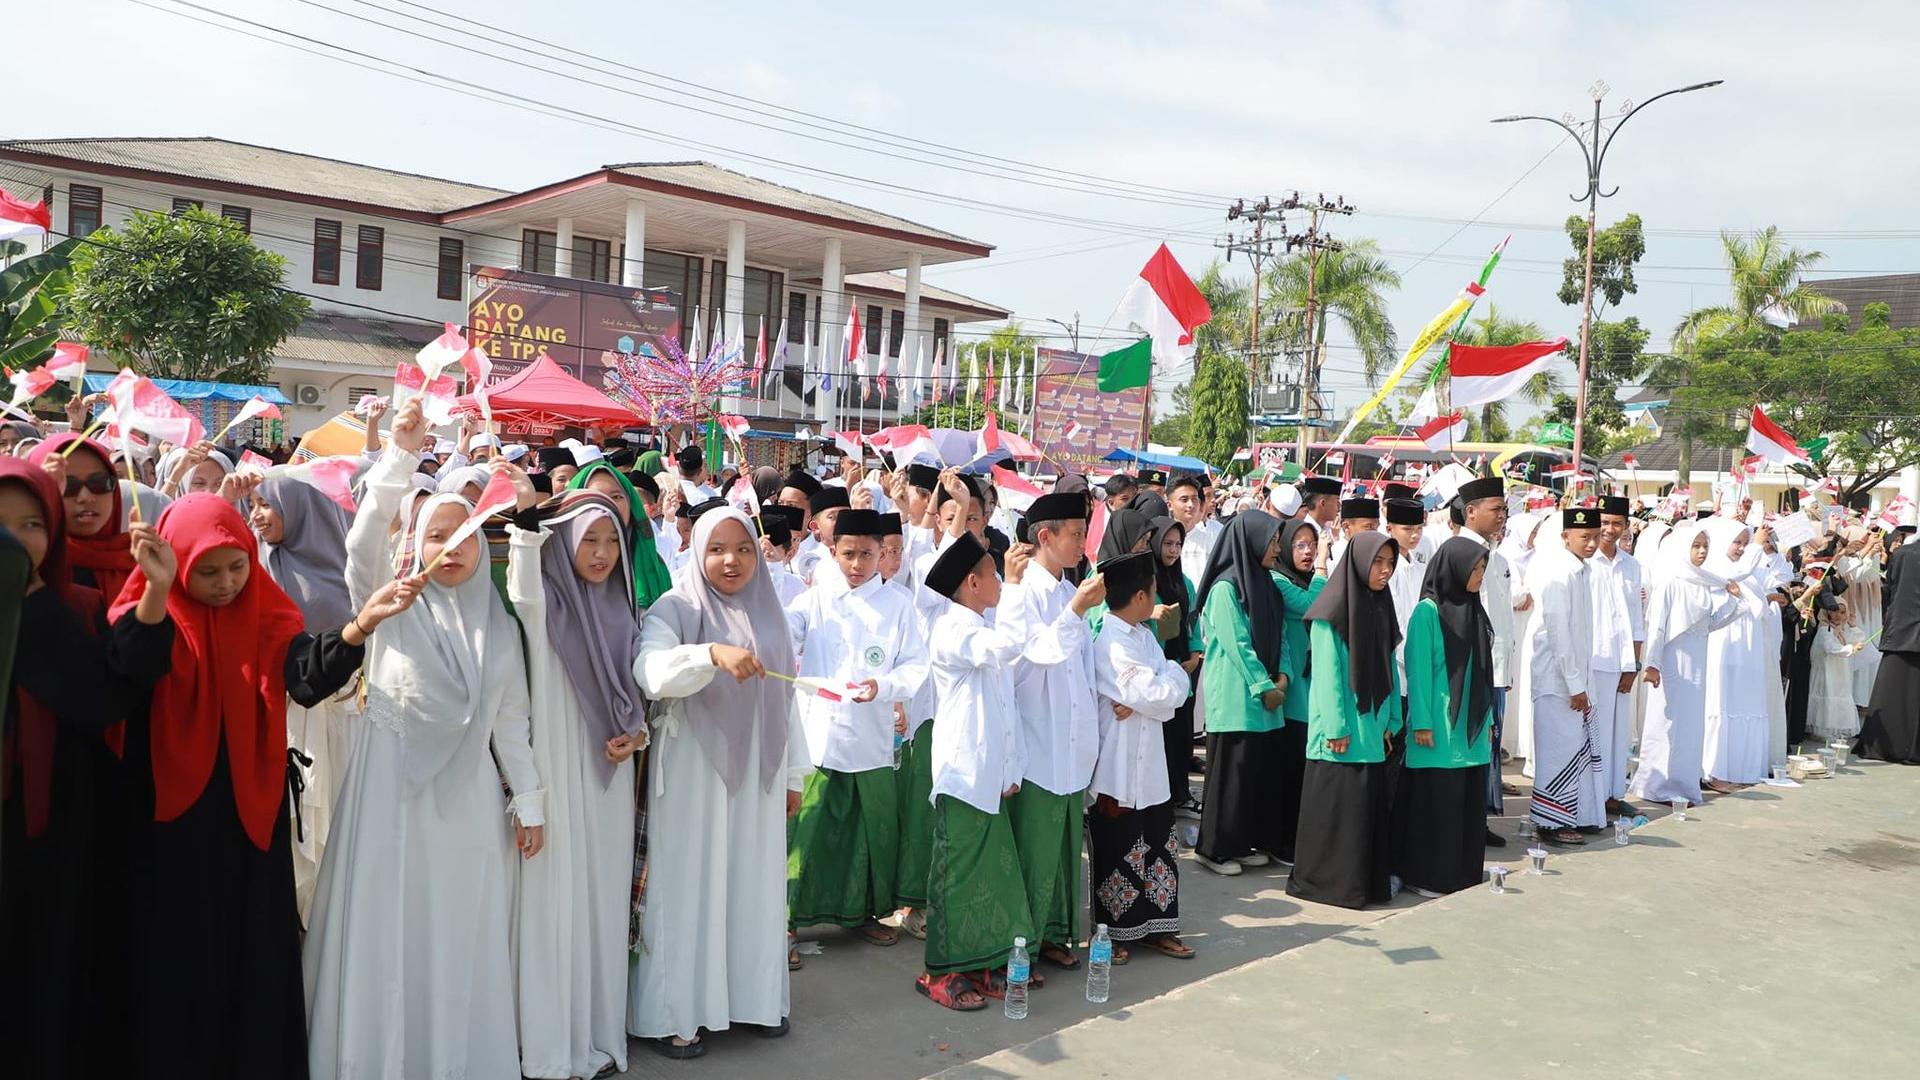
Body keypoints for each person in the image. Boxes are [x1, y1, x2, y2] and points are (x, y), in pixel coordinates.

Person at [109, 494, 417, 1078]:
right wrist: (157, 589)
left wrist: (359, 628)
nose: (227, 584)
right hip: (166, 818)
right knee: (174, 949)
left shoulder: (264, 611)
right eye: (207, 571)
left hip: (248, 811)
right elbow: (131, 667)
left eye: (237, 566)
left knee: (250, 948)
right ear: (175, 562)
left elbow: (304, 677)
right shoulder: (151, 609)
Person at [306, 405, 548, 1080]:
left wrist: (529, 802)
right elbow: (361, 546)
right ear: (414, 543)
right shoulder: (392, 603)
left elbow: (511, 723)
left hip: (467, 807)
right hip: (388, 800)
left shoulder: (499, 627)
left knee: (455, 931)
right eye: (437, 534)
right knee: (389, 927)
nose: (452, 547)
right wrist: (400, 459)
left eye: (464, 535)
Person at [630, 506, 803, 1057]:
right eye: (717, 549)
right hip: (694, 771)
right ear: (697, 551)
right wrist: (708, 654)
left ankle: (752, 999)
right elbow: (650, 673)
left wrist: (793, 773)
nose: (732, 561)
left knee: (751, 883)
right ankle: (676, 1013)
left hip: (758, 774)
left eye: (744, 549)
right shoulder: (675, 607)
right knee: (691, 886)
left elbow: (787, 697)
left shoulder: (768, 610)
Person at [0, 458, 141, 1078]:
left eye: (32, 524)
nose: (14, 538)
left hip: (52, 832)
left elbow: (102, 703)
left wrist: (33, 609)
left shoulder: (75, 607)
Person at [506, 490, 647, 1079]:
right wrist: (524, 523)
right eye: (588, 539)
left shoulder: (623, 609)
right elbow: (522, 588)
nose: (602, 553)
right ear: (563, 542)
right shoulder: (547, 603)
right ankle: (548, 1045)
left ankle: (597, 1033)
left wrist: (637, 733)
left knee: (600, 901)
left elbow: (638, 687)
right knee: (554, 900)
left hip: (609, 775)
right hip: (556, 768)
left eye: (611, 540)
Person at [785, 507, 930, 949]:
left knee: (869, 834)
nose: (856, 564)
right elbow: (785, 633)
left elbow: (915, 665)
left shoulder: (899, 605)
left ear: (882, 553)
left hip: (870, 735)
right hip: (820, 734)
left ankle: (863, 913)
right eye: (848, 554)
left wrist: (883, 686)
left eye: (867, 554)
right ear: (833, 552)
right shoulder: (815, 600)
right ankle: (787, 919)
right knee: (807, 830)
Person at [915, 532, 1031, 1011]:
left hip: (988, 774)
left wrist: (1010, 766)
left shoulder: (980, 624)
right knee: (956, 876)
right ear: (972, 582)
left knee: (990, 877)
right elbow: (1006, 647)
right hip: (962, 774)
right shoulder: (953, 629)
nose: (1001, 581)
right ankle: (939, 972)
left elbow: (1004, 706)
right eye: (994, 575)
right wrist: (1019, 588)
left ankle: (982, 963)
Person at [242, 471, 360, 926]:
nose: (257, 515)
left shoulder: (344, 574)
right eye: (252, 504)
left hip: (342, 721)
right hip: (277, 723)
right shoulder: (253, 568)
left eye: (267, 504)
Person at [996, 489, 1105, 971]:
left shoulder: (1065, 589)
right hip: (1037, 737)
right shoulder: (1022, 591)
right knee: (1034, 847)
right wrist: (1077, 610)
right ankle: (1022, 943)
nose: (1082, 543)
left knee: (1063, 848)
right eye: (1076, 534)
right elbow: (1039, 652)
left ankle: (1055, 934)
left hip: (1071, 738)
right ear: (1045, 536)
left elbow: (1084, 665)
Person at [1088, 550, 1195, 960]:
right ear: (1138, 597)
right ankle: (1115, 932)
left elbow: (1163, 690)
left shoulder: (1145, 637)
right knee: (1119, 845)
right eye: (1152, 591)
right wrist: (1160, 687)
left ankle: (1159, 927)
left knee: (1158, 843)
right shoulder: (1110, 642)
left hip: (1150, 761)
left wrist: (1154, 693)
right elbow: (1153, 690)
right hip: (1117, 765)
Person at [1288, 532, 1401, 909]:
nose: (1385, 571)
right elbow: (1327, 677)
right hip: (1339, 734)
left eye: (1390, 563)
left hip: (1371, 729)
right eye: (1377, 562)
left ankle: (1362, 885)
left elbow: (1389, 667)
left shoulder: (1381, 606)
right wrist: (1337, 727)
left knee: (1362, 814)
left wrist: (1392, 719)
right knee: (1337, 814)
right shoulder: (1330, 613)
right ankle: (1326, 885)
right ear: (1358, 562)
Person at [1191, 511, 1289, 877]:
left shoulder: (1266, 584)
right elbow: (1237, 645)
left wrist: (1283, 677)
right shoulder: (1225, 588)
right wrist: (1264, 686)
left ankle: (1241, 843)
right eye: (1273, 541)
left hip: (1267, 698)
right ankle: (1214, 849)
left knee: (1252, 778)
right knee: (1229, 780)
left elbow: (1281, 637)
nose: (1277, 549)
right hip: (1236, 698)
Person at [1396, 538, 1494, 897]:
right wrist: (1421, 722)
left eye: (1483, 568)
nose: (1480, 575)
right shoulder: (1427, 612)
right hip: (1438, 726)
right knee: (1438, 806)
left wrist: (1489, 720)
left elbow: (1484, 673)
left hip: (1471, 727)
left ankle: (1463, 874)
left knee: (1466, 807)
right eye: (1475, 569)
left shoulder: (1475, 610)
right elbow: (1419, 672)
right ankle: (1429, 877)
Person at [1630, 524, 1742, 807]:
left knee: (1689, 727)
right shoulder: (1670, 582)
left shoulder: (1703, 584)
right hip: (1671, 663)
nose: (1702, 551)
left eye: (1705, 546)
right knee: (1667, 722)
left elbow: (1710, 623)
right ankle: (1656, 785)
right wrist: (1652, 664)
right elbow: (1657, 627)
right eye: (1696, 545)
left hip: (1696, 664)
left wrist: (1732, 599)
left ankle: (1682, 785)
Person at [1527, 507, 1605, 845]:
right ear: (1565, 537)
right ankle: (1551, 824)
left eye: (1595, 537)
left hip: (1575, 680)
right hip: (1556, 681)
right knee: (1558, 753)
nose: (1591, 544)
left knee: (1575, 749)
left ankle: (1576, 816)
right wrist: (1575, 685)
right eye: (1584, 537)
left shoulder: (1582, 570)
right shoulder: (1559, 573)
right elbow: (1559, 634)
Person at [1450, 477, 1515, 842]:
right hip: (1473, 667)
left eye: (1504, 509)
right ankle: (1464, 822)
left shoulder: (1498, 558)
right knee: (1470, 742)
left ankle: (1479, 820)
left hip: (1497, 669)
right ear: (1471, 511)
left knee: (1488, 745)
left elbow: (1502, 619)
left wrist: (1506, 667)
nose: (1501, 516)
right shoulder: (1459, 553)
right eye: (1495, 509)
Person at [1268, 518, 1331, 863]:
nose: (1308, 552)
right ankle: (1281, 840)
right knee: (1290, 770)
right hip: (1291, 686)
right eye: (1301, 545)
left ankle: (1298, 837)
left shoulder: (1308, 581)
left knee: (1304, 770)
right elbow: (1313, 606)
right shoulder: (1279, 580)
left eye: (1313, 545)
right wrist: (1322, 565)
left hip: (1312, 685)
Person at [1701, 517, 1775, 791]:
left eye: (1745, 543)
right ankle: (1714, 771)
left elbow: (1761, 597)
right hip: (1724, 645)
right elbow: (1737, 576)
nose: (1742, 548)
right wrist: (1756, 547)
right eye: (1737, 542)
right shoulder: (1713, 566)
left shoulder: (1746, 572)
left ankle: (1741, 768)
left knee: (1745, 702)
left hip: (1748, 649)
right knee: (1722, 701)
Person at [27, 435, 138, 602]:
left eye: (99, 482)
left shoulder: (144, 562)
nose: (85, 497)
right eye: (67, 485)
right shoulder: (24, 564)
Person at [1590, 495, 1646, 813]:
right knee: (1594, 729)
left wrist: (1634, 663)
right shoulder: (1586, 561)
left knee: (1617, 731)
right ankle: (1591, 796)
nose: (1610, 529)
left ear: (1626, 527)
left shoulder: (1631, 565)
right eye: (1605, 522)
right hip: (1593, 658)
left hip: (1622, 660)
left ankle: (1612, 794)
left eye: (1617, 524)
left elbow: (1636, 617)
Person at [1147, 516, 1205, 816]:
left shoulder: (1185, 582)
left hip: (1183, 667)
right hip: (1158, 668)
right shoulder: (1146, 582)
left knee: (1181, 734)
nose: (1173, 550)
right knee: (1163, 736)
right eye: (1167, 543)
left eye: (1178, 544)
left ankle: (1180, 794)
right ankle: (1163, 800)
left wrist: (1195, 654)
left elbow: (1192, 621)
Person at [565, 458, 677, 608]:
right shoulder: (556, 568)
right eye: (597, 496)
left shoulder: (654, 566)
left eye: (616, 497)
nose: (608, 504)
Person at [1856, 521, 1920, 763]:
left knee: (1892, 693)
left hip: (1900, 629)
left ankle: (1884, 745)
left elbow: (1891, 589)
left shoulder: (1902, 555)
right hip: (1903, 629)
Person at [1808, 598, 1863, 741]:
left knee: (1840, 694)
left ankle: (1838, 728)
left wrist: (1853, 626)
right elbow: (1830, 647)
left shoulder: (1841, 630)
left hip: (1839, 670)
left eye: (1843, 612)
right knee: (1828, 695)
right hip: (1827, 670)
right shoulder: (1825, 629)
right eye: (1834, 611)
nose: (1838, 615)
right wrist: (1850, 648)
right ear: (1827, 612)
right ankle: (1825, 730)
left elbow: (1858, 639)